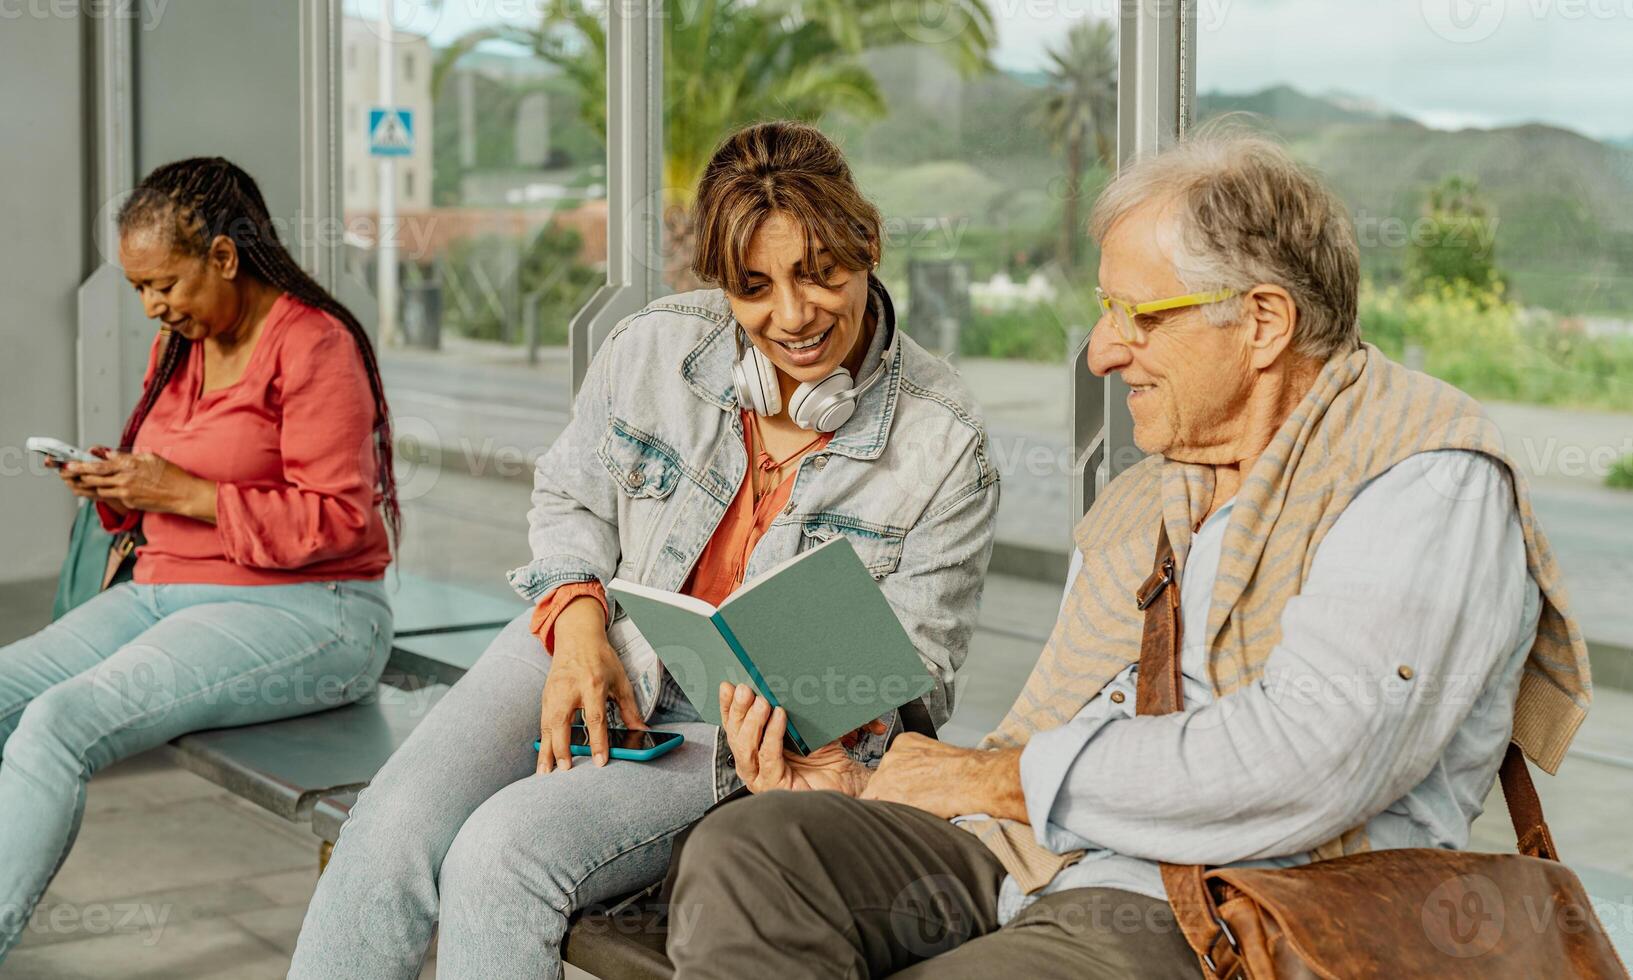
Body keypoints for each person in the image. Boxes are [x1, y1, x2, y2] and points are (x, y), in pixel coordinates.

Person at [665, 131, 1594, 978]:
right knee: (755, 848)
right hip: (1040, 857)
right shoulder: (1154, 494)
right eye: (1106, 311)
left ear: (1262, 322)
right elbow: (1046, 746)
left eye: (1139, 316)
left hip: (1229, 906)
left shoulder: (1422, 479)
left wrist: (986, 779)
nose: (1103, 352)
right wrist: (870, 785)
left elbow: (1311, 763)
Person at [290, 120, 999, 979]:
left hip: (739, 733)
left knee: (501, 855)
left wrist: (820, 717)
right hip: (599, 633)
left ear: (869, 244)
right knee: (392, 823)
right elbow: (570, 498)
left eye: (821, 274)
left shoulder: (946, 441)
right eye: (754, 288)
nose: (793, 316)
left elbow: (919, 671)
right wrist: (580, 625)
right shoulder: (652, 348)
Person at [0, 158, 398, 961]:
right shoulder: (180, 345)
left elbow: (340, 520)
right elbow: (169, 484)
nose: (153, 306)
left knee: (57, 723)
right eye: (140, 288)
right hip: (161, 590)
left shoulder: (315, 344)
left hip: (307, 610)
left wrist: (182, 491)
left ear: (223, 256)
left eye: (165, 284)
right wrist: (117, 484)